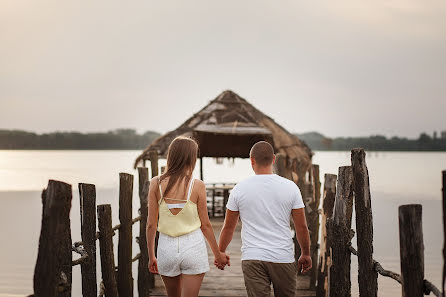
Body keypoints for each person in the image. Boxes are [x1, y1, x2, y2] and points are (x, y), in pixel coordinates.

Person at [217, 141, 312, 297]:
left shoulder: (239, 189)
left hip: (252, 257)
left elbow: (228, 227)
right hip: (283, 257)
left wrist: (220, 252)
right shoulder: (291, 187)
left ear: (251, 160)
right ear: (274, 159)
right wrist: (306, 253)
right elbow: (301, 227)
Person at [146, 136, 229, 297]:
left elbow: (151, 224)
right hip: (193, 247)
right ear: (191, 158)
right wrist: (218, 255)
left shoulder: (156, 183)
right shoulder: (197, 185)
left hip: (166, 248)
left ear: (171, 155)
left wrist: (151, 256)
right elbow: (205, 225)